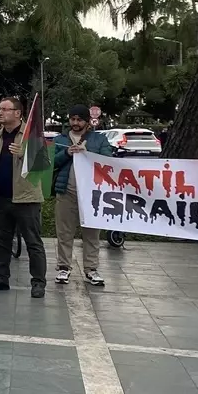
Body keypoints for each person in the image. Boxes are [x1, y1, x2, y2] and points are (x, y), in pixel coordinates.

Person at [0, 97, 48, 298]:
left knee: (33, 242)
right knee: (1, 242)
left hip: (26, 199)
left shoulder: (31, 136)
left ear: (18, 113)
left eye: (5, 109)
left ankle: (38, 283)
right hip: (0, 198)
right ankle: (1, 279)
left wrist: (24, 154)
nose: (0, 112)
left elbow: (44, 164)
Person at [53, 104, 114, 286]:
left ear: (87, 122)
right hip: (66, 191)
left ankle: (91, 269)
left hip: (91, 194)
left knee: (92, 233)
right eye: (72, 119)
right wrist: (66, 153)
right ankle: (64, 267)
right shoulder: (60, 139)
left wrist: (88, 154)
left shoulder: (99, 139)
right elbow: (52, 163)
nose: (75, 123)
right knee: (64, 231)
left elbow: (108, 161)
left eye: (79, 120)